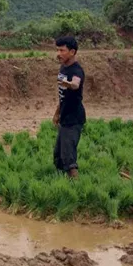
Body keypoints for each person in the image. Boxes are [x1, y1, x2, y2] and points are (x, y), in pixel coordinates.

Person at [53, 36, 86, 179]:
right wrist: (57, 113)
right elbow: (63, 96)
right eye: (58, 50)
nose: (58, 53)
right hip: (65, 116)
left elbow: (76, 84)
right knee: (58, 156)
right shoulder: (64, 67)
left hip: (73, 119)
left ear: (72, 52)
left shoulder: (76, 70)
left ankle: (76, 188)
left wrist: (69, 84)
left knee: (68, 158)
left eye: (62, 50)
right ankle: (62, 185)